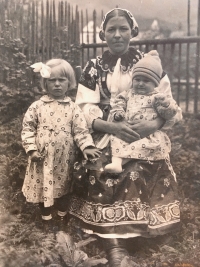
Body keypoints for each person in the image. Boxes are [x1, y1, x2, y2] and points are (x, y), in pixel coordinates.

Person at [69, 8, 182, 266]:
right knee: (104, 168)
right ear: (102, 34)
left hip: (144, 133)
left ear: (133, 32)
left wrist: (152, 124)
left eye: (123, 29)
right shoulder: (94, 67)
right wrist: (112, 127)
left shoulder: (149, 64)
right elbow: (83, 107)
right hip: (106, 130)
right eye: (111, 30)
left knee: (141, 167)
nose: (117, 35)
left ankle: (144, 235)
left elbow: (168, 105)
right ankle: (114, 242)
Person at [21, 59, 101, 233]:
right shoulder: (37, 106)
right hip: (42, 158)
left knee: (64, 188)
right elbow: (27, 129)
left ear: (69, 82)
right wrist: (32, 149)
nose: (57, 84)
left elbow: (81, 131)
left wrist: (86, 146)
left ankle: (63, 216)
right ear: (45, 83)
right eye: (52, 80)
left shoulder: (73, 108)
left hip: (64, 159)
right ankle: (46, 219)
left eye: (62, 80)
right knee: (44, 187)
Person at [104, 51, 179, 173]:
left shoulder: (157, 97)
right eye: (137, 79)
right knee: (116, 140)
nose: (140, 83)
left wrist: (166, 105)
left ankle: (123, 162)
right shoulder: (128, 94)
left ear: (155, 83)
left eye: (146, 81)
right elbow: (119, 103)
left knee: (149, 145)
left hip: (148, 134)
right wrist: (118, 113)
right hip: (127, 130)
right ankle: (116, 163)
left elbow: (170, 113)